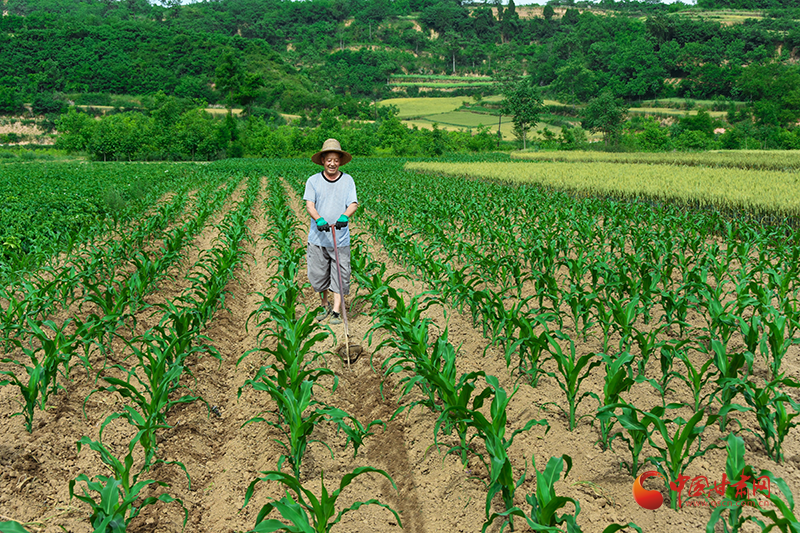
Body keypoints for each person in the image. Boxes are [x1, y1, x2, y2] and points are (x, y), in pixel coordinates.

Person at [304, 138, 358, 325]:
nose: (332, 163)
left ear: (340, 161)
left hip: (340, 238)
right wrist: (318, 219)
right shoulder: (313, 181)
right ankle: (324, 303)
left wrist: (345, 216)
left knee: (340, 273)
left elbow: (353, 203)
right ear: (323, 161)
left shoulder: (348, 180)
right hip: (318, 238)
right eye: (329, 160)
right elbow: (310, 205)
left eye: (336, 160)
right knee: (318, 275)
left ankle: (336, 310)